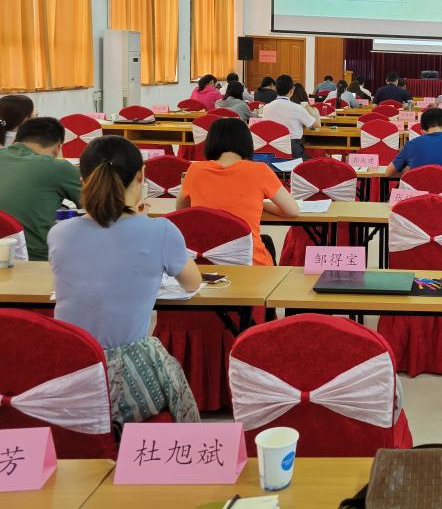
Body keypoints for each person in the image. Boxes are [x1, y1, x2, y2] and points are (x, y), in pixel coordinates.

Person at [49, 135, 202, 426]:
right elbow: (192, 283)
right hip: (128, 377)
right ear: (141, 175)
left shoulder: (59, 233)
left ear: (82, 180)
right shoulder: (161, 231)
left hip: (67, 373)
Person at [178, 117, 300, 266]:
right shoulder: (260, 170)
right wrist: (261, 204)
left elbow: (182, 211)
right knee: (266, 242)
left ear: (210, 142)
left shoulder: (195, 170)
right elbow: (292, 211)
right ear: (247, 142)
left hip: (207, 261)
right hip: (250, 262)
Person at [0, 117, 81, 261]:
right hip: (35, 260)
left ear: (15, 140)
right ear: (57, 148)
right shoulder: (56, 167)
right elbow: (99, 205)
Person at [262, 74, 320, 157]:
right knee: (310, 163)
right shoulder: (297, 108)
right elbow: (316, 125)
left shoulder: (266, 108)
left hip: (272, 150)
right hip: (292, 150)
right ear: (291, 90)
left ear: (275, 89)